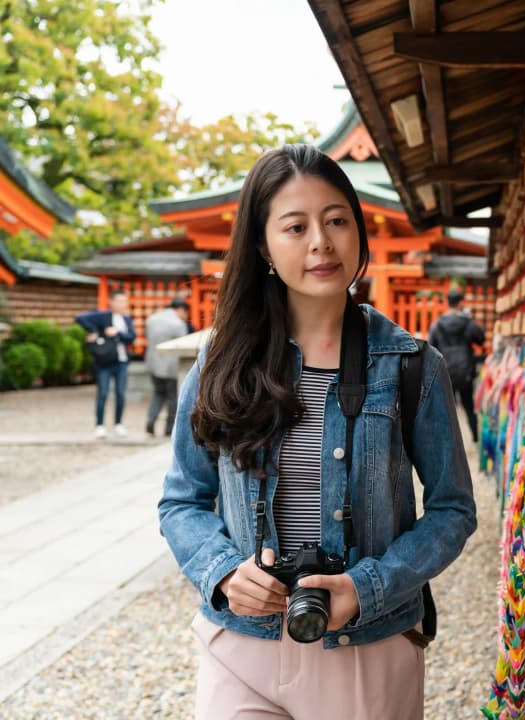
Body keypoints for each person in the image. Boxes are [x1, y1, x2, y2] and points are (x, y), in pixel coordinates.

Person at [158, 145, 477, 720]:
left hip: (369, 646)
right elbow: (182, 499)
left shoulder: (410, 364)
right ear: (263, 246)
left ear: (359, 228)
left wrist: (367, 586)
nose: (320, 243)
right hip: (242, 645)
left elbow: (453, 510)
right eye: (295, 226)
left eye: (336, 220)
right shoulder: (221, 360)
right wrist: (225, 572)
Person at [76, 291, 136, 438]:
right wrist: (95, 332)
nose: (123, 304)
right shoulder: (102, 316)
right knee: (102, 394)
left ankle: (118, 424)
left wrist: (117, 333)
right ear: (112, 302)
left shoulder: (126, 319)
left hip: (121, 361)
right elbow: (80, 318)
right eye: (120, 301)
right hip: (105, 361)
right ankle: (100, 425)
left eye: (124, 301)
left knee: (121, 393)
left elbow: (131, 337)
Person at [428, 289, 485, 443]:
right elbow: (480, 339)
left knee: (446, 408)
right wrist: (471, 319)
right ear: (461, 303)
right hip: (465, 370)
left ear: (448, 302)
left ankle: (447, 441)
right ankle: (474, 437)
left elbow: (431, 347)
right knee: (468, 405)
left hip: (445, 370)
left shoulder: (437, 325)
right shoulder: (467, 322)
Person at [144, 298, 191, 437]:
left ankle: (150, 420)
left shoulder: (152, 319)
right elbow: (183, 345)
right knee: (173, 397)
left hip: (153, 363)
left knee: (158, 393)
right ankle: (169, 428)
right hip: (171, 366)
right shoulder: (178, 324)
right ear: (181, 309)